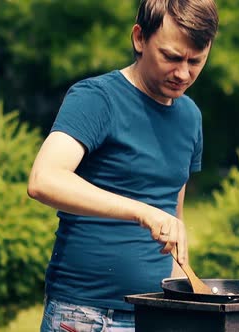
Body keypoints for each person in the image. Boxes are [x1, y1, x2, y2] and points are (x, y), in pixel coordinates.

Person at [27, 0, 218, 330]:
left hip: (154, 313)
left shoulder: (190, 117)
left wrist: (179, 300)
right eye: (172, 57)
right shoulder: (97, 98)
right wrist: (142, 211)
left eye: (196, 61)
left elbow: (173, 217)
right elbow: (44, 179)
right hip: (85, 315)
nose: (184, 73)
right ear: (139, 38)